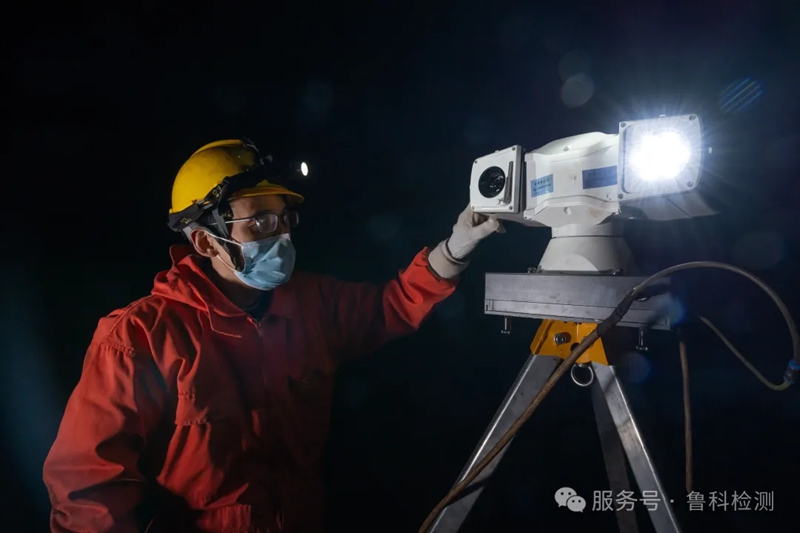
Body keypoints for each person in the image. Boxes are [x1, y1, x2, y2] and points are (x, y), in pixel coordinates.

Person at [43, 139, 502, 533]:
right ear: (205, 241)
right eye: (260, 222)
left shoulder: (311, 304)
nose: (280, 235)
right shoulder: (142, 337)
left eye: (283, 219)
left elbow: (391, 306)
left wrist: (455, 247)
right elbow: (88, 489)